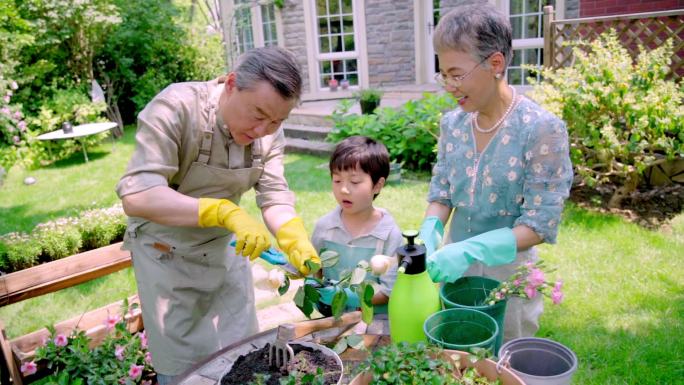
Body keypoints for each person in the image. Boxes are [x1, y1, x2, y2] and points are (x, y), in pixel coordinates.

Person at [115, 47, 320, 384]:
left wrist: (293, 236)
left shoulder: (268, 133)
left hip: (225, 254)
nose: (263, 130)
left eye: (277, 121)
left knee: (244, 358)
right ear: (231, 84)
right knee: (186, 372)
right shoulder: (177, 107)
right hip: (167, 260)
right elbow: (138, 194)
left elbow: (274, 196)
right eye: (258, 114)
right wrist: (220, 210)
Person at [418, 4, 573, 342]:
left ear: (495, 64)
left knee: (505, 362)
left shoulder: (540, 130)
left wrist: (471, 249)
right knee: (457, 358)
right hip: (453, 275)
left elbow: (539, 224)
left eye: (456, 74)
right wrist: (428, 233)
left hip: (509, 282)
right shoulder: (453, 125)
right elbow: (442, 193)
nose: (448, 85)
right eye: (443, 74)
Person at [310, 136, 402, 314]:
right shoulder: (325, 228)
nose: (344, 189)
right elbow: (315, 269)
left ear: (377, 185)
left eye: (354, 182)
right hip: (334, 319)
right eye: (337, 180)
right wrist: (315, 287)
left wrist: (346, 296)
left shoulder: (389, 234)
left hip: (377, 322)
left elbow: (390, 291)